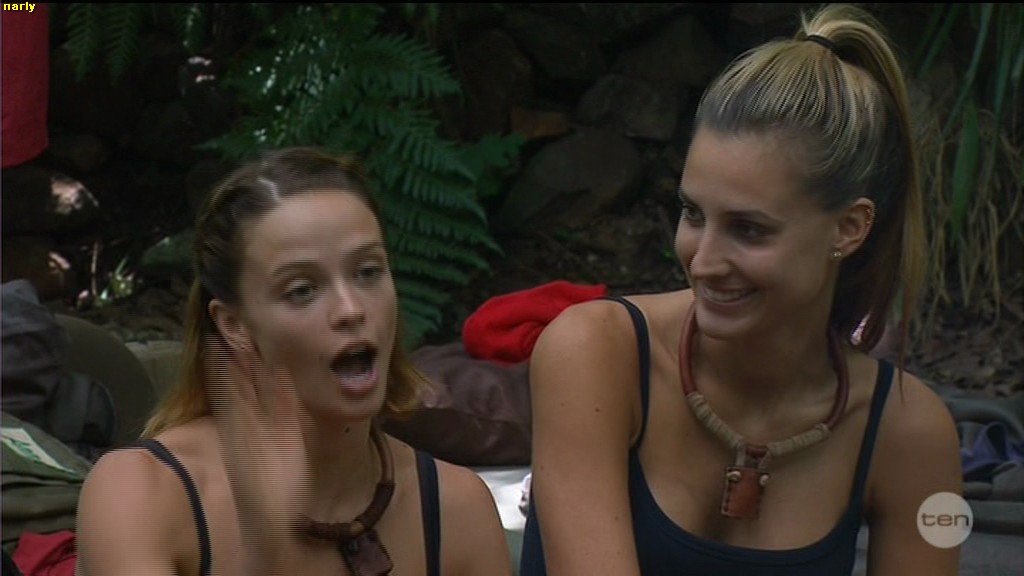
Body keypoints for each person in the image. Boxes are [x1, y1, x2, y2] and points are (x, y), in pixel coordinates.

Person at [521, 4, 962, 575]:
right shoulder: (594, 352)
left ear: (849, 228)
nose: (702, 262)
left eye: (749, 229)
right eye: (693, 213)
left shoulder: (912, 432)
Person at [75, 147, 512, 575]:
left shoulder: (457, 509)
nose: (351, 309)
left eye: (368, 272)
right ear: (235, 327)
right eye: (302, 290)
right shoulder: (141, 493)